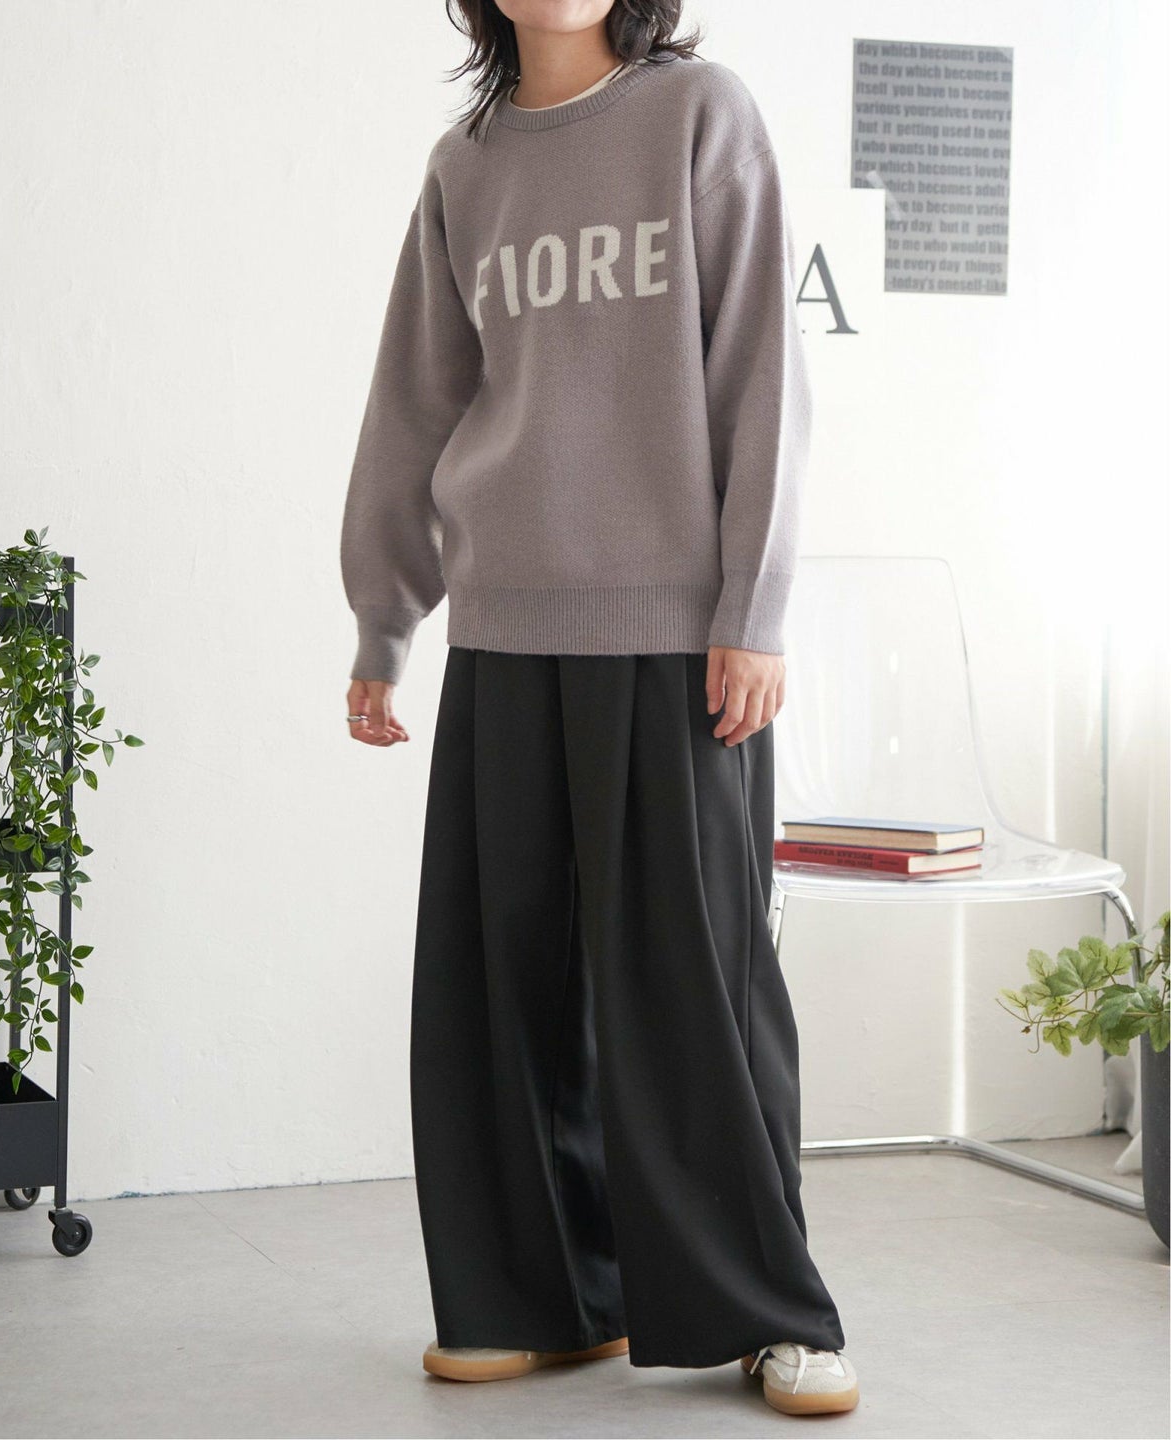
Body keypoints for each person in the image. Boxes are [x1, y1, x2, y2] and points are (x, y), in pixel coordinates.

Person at [339, 0, 859, 1419]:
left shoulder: (700, 114)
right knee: (501, 988)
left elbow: (763, 372)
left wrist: (753, 609)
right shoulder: (467, 165)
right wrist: (386, 619)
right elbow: (414, 400)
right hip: (506, 632)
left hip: (675, 640)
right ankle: (542, 1300)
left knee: (695, 990)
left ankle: (771, 1312)